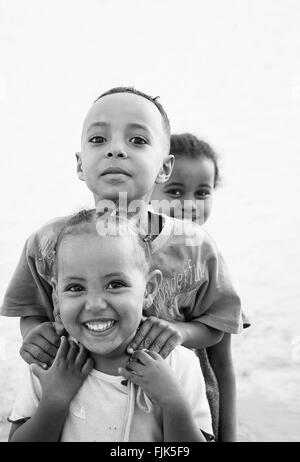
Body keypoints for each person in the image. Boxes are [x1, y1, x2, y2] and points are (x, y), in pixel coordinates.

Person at [1, 87, 243, 438]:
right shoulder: (49, 242)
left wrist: (179, 333)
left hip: (170, 405)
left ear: (164, 167)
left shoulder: (195, 246)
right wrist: (36, 335)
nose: (116, 149)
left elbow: (219, 328)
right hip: (79, 399)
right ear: (80, 164)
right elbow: (33, 311)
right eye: (98, 139)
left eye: (138, 140)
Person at [8, 211, 213, 442]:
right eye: (75, 287)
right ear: (56, 293)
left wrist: (173, 402)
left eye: (115, 284)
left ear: (149, 289)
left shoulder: (178, 365)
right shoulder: (50, 363)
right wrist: (54, 400)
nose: (95, 304)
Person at [151, 133, 249, 441]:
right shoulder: (120, 255)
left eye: (202, 193)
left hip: (196, 411)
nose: (190, 205)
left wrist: (228, 436)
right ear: (150, 186)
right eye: (176, 191)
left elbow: (222, 363)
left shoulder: (208, 264)